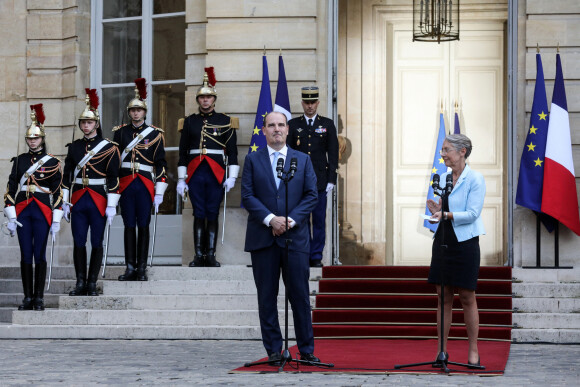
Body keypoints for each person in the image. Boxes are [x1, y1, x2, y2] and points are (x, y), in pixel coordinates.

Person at [241, 111, 320, 365]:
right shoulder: (253, 159)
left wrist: (289, 220)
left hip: (294, 239)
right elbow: (247, 195)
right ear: (263, 130)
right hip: (263, 239)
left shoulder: (303, 160)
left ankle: (306, 350)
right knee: (266, 297)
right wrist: (270, 220)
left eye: (281, 125)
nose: (276, 129)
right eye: (271, 125)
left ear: (288, 130)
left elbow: (311, 195)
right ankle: (274, 351)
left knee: (299, 295)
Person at [426, 133, 486, 367]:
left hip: (465, 242)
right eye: (442, 150)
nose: (442, 154)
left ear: (462, 151)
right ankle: (442, 351)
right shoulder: (442, 176)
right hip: (443, 239)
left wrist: (447, 214)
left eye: (446, 150)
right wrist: (437, 208)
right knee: (443, 296)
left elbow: (472, 213)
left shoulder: (475, 178)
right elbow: (445, 208)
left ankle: (473, 350)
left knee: (467, 296)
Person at [3, 104, 63, 311]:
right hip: (22, 211)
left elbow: (57, 192)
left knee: (40, 254)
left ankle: (39, 298)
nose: (32, 141)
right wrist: (10, 214)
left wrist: (56, 219)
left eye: (35, 138)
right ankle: (27, 297)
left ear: (42, 139)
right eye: (29, 138)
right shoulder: (19, 161)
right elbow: (11, 188)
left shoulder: (52, 162)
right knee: (25, 254)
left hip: (42, 210)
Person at [177, 68, 239, 267]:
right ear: (198, 100)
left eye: (208, 97)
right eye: (202, 98)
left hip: (216, 172)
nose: (205, 101)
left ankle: (210, 255)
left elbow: (233, 152)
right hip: (195, 172)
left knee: (212, 212)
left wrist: (232, 177)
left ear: (214, 99)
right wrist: (181, 178)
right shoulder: (189, 122)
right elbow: (182, 152)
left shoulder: (225, 121)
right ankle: (198, 255)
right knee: (199, 212)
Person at [62, 89, 120, 296]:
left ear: (96, 124)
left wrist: (112, 204)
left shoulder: (110, 148)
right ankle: (80, 282)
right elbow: (66, 177)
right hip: (78, 199)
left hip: (98, 199)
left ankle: (92, 282)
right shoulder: (74, 147)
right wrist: (65, 202)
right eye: (83, 123)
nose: (86, 126)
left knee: (96, 242)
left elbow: (113, 177)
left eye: (89, 122)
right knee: (79, 241)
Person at [113, 78, 168, 281]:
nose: (136, 113)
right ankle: (130, 267)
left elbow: (161, 163)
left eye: (139, 110)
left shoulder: (155, 134)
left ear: (145, 112)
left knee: (143, 225)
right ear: (129, 113)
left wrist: (160, 188)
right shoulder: (120, 133)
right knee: (129, 225)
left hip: (145, 184)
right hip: (126, 183)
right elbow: (114, 162)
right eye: (133, 110)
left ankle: (142, 268)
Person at [287, 86, 338, 267]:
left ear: (318, 103)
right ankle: (303, 253)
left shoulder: (327, 124)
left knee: (318, 220)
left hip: (320, 180)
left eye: (313, 102)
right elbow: (288, 153)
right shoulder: (293, 125)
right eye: (306, 102)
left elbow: (332, 154)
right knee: (300, 219)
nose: (310, 106)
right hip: (298, 181)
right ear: (302, 103)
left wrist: (332, 178)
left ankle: (316, 256)